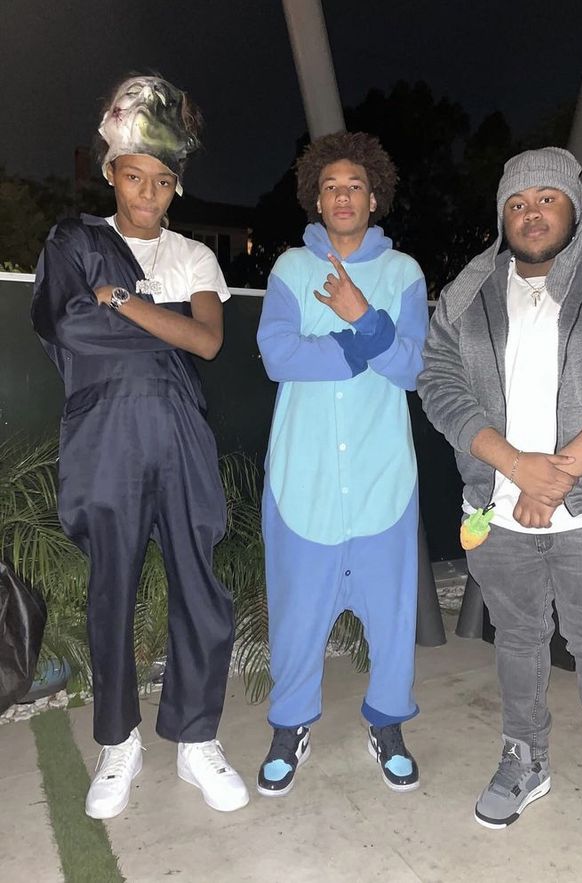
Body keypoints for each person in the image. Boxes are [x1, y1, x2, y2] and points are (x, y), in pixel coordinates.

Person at [417, 147, 582, 882]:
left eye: (547, 199)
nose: (531, 212)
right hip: (497, 511)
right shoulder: (469, 295)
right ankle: (524, 757)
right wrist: (515, 466)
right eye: (517, 203)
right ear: (503, 216)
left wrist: (557, 473)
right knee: (520, 639)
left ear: (574, 210)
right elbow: (438, 382)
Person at [31, 75, 248, 819]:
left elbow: (209, 341)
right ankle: (118, 743)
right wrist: (160, 325)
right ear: (111, 172)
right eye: (134, 176)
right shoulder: (73, 241)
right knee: (110, 592)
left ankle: (196, 739)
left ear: (175, 187)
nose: (147, 192)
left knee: (199, 585)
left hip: (181, 430)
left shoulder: (193, 256)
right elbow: (67, 328)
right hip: (104, 433)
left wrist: (121, 300)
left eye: (162, 180)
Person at [256, 131, 428, 797]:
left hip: (384, 479)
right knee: (297, 614)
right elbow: (278, 355)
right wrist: (365, 336)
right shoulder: (291, 270)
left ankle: (387, 723)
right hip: (302, 482)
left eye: (354, 184)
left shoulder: (404, 273)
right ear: (316, 200)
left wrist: (362, 314)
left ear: (374, 195)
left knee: (391, 617)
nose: (342, 195)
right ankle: (289, 724)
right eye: (330, 187)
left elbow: (413, 367)